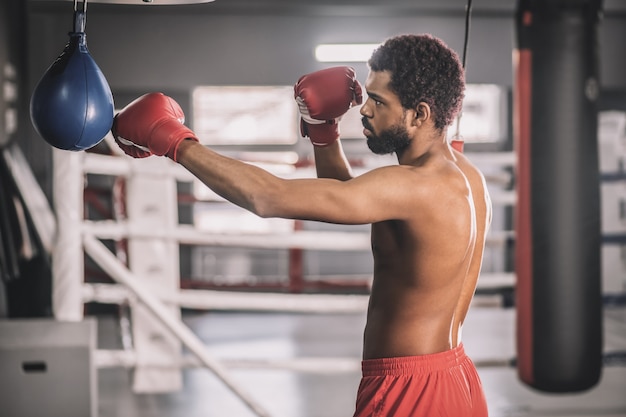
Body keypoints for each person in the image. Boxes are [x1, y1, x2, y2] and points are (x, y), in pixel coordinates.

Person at [113, 33, 491, 417]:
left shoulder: (414, 187)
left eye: (379, 102)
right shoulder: (465, 178)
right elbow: (349, 198)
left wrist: (175, 140)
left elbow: (268, 197)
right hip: (456, 378)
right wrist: (324, 133)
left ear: (420, 114)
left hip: (410, 392)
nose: (364, 110)